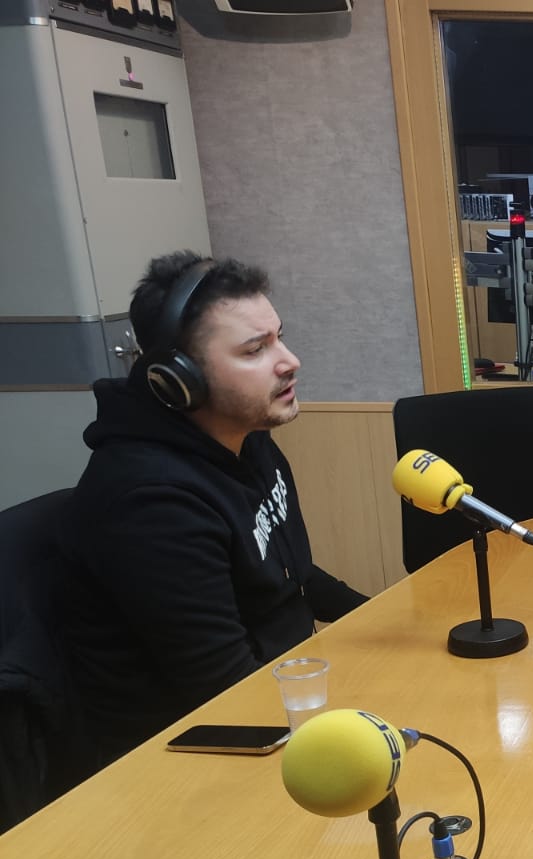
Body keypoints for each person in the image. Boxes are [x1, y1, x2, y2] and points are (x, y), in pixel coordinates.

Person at [55, 251, 367, 769]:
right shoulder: (148, 503)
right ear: (179, 380)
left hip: (276, 704)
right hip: (193, 758)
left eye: (279, 337)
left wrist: (393, 623)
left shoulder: (244, 436)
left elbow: (298, 577)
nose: (289, 360)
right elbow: (225, 689)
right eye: (255, 350)